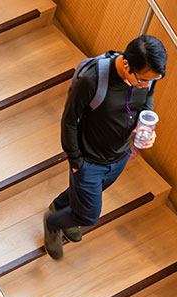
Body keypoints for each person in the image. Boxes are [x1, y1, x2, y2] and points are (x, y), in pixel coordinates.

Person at [45, 35, 167, 259]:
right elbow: (69, 121)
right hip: (89, 160)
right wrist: (76, 163)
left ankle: (60, 205)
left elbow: (147, 97)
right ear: (127, 65)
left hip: (119, 155)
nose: (147, 85)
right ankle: (54, 221)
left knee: (89, 194)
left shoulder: (147, 76)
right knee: (89, 216)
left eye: (152, 80)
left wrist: (146, 125)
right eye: (142, 80)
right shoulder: (92, 80)